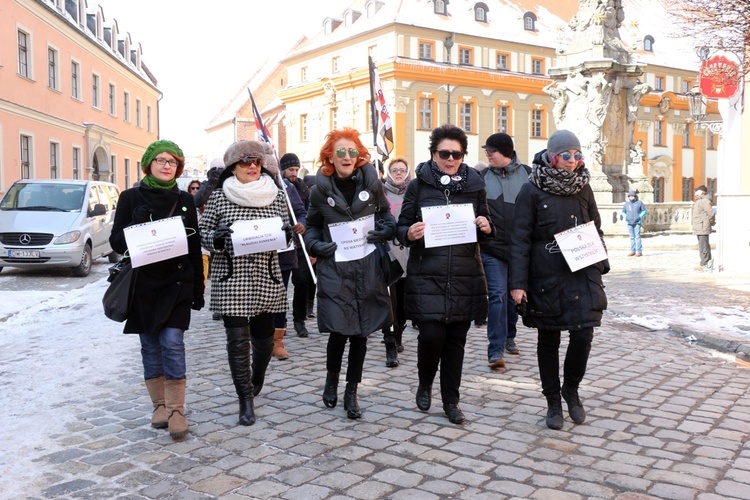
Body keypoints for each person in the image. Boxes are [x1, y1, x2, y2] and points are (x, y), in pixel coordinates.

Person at [509, 129, 609, 431]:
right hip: (546, 275)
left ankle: (571, 390)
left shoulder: (584, 187)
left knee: (583, 335)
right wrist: (518, 283)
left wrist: (600, 261)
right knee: (548, 338)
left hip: (582, 272)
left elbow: (596, 227)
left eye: (578, 155)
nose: (573, 161)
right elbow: (520, 240)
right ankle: (553, 400)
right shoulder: (532, 190)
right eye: (567, 155)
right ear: (553, 157)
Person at [396, 124, 493, 425]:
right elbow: (401, 227)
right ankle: (425, 382)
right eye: (444, 153)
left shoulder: (475, 183)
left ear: (464, 155)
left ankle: (451, 400)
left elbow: (487, 223)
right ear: (433, 153)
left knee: (456, 342)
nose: (451, 159)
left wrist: (487, 226)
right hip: (428, 273)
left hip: (464, 274)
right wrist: (409, 233)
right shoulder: (419, 185)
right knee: (431, 336)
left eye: (457, 154)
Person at [109, 140, 204, 440]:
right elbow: (115, 243)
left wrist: (198, 289)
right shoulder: (130, 197)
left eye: (173, 162)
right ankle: (159, 405)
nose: (167, 166)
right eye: (161, 160)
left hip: (176, 284)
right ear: (148, 163)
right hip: (144, 285)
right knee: (150, 346)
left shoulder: (185, 200)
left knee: (173, 342)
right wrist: (135, 233)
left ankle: (177, 409)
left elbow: (194, 246)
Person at [304, 128, 396, 420]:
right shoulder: (320, 190)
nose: (346, 157)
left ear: (360, 156)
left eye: (352, 151)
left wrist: (386, 229)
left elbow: (386, 216)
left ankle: (351, 391)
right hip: (336, 268)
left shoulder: (373, 184)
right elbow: (312, 226)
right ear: (330, 156)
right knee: (339, 331)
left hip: (367, 266)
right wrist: (316, 244)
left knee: (361, 333)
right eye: (340, 152)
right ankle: (331, 379)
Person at [199, 140, 291, 426]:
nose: (252, 166)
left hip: (267, 276)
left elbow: (285, 232)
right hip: (232, 277)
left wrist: (287, 234)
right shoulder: (219, 197)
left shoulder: (275, 195)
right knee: (237, 343)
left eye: (257, 161)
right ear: (232, 167)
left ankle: (258, 376)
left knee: (263, 341)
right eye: (245, 161)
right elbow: (203, 233)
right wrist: (216, 238)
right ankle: (245, 400)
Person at [479, 133, 530, 370]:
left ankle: (510, 335)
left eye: (492, 150)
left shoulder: (528, 175)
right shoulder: (480, 178)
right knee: (498, 295)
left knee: (513, 296)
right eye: (487, 151)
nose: (488, 154)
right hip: (492, 248)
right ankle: (495, 349)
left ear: (506, 152)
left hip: (520, 250)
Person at [266, 153, 307, 360]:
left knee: (280, 296)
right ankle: (259, 338)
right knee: (259, 297)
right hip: (258, 253)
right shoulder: (250, 188)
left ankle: (277, 340)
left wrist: (301, 224)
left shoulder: (288, 189)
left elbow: (301, 212)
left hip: (284, 252)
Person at [280, 153, 315, 338]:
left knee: (301, 282)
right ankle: (281, 321)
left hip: (300, 243)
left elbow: (306, 213)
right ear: (282, 169)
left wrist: (304, 224)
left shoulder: (301, 188)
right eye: (290, 170)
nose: (294, 173)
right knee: (281, 286)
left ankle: (299, 320)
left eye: (296, 169)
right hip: (283, 243)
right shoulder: (278, 186)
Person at [381, 157, 411, 367]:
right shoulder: (381, 194)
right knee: (390, 302)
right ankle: (390, 341)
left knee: (404, 302)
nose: (399, 173)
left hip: (409, 253)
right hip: (389, 253)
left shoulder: (413, 192)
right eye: (394, 170)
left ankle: (399, 333)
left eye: (402, 170)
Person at [692, 185, 715, 272]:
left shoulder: (705, 201)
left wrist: (710, 223)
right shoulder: (700, 200)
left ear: (702, 192)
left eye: (696, 191)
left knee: (704, 246)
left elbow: (711, 214)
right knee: (702, 246)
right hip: (699, 226)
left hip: (703, 226)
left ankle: (705, 264)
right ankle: (704, 263)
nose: (695, 193)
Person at [622, 190, 647, 256]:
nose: (631, 197)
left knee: (637, 237)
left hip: (637, 222)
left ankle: (639, 251)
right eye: (630, 196)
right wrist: (626, 217)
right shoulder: (627, 204)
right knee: (632, 237)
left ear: (635, 196)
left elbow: (644, 211)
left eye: (632, 196)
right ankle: (632, 251)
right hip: (629, 222)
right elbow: (623, 212)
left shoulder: (639, 203)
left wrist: (639, 217)